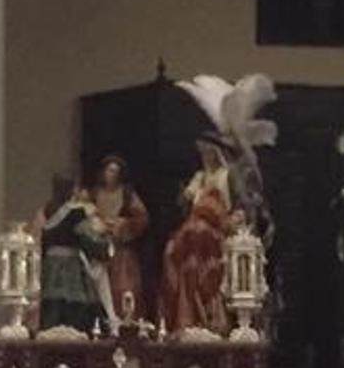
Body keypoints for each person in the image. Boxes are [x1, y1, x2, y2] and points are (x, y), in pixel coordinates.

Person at [160, 141, 233, 337]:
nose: (206, 157)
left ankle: (212, 319)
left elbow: (229, 208)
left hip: (213, 233)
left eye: (210, 153)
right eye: (203, 153)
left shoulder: (225, 176)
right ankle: (186, 318)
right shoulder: (199, 177)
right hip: (192, 238)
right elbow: (186, 199)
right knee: (175, 254)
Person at [36, 179, 115, 335]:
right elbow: (87, 237)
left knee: (52, 307)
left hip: (50, 268)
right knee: (75, 311)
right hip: (70, 268)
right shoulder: (75, 213)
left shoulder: (48, 210)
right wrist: (106, 247)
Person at [86, 154, 151, 322]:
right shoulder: (92, 194)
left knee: (124, 288)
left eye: (115, 171)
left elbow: (142, 218)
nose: (111, 175)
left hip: (121, 251)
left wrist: (121, 224)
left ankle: (126, 324)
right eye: (109, 170)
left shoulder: (128, 194)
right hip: (98, 250)